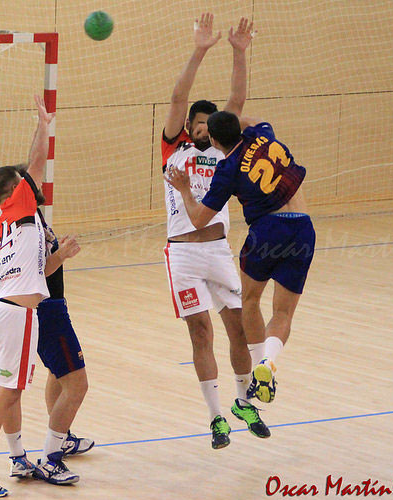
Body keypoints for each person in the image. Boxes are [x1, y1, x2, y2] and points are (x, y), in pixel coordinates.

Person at [0, 98, 81, 498]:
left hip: (0, 307)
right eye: (23, 179)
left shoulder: (1, 222)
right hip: (14, 314)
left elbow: (35, 273)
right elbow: (37, 161)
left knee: (9, 385)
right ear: (14, 189)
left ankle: (16, 456)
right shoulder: (20, 204)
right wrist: (43, 125)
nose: (33, 180)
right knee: (8, 390)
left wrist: (59, 257)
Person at [160, 13, 268, 449]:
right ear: (188, 127)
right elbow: (177, 95)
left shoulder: (226, 152)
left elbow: (237, 102)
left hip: (219, 251)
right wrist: (201, 48)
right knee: (200, 332)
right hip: (183, 254)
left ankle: (244, 401)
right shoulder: (174, 147)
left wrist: (240, 53)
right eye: (197, 121)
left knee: (238, 328)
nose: (202, 126)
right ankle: (216, 416)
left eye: (208, 122)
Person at [166, 110, 315, 407]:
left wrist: (184, 190)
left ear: (215, 140)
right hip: (302, 229)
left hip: (268, 230)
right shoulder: (263, 135)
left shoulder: (228, 167)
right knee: (283, 314)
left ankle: (260, 360)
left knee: (249, 302)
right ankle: (268, 365)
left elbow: (198, 220)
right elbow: (250, 117)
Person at [23, 96, 93, 473]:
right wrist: (62, 255)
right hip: (47, 309)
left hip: (46, 309)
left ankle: (60, 437)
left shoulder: (27, 218)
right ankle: (51, 456)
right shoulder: (25, 224)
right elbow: (35, 273)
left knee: (58, 372)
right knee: (77, 383)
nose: (38, 184)